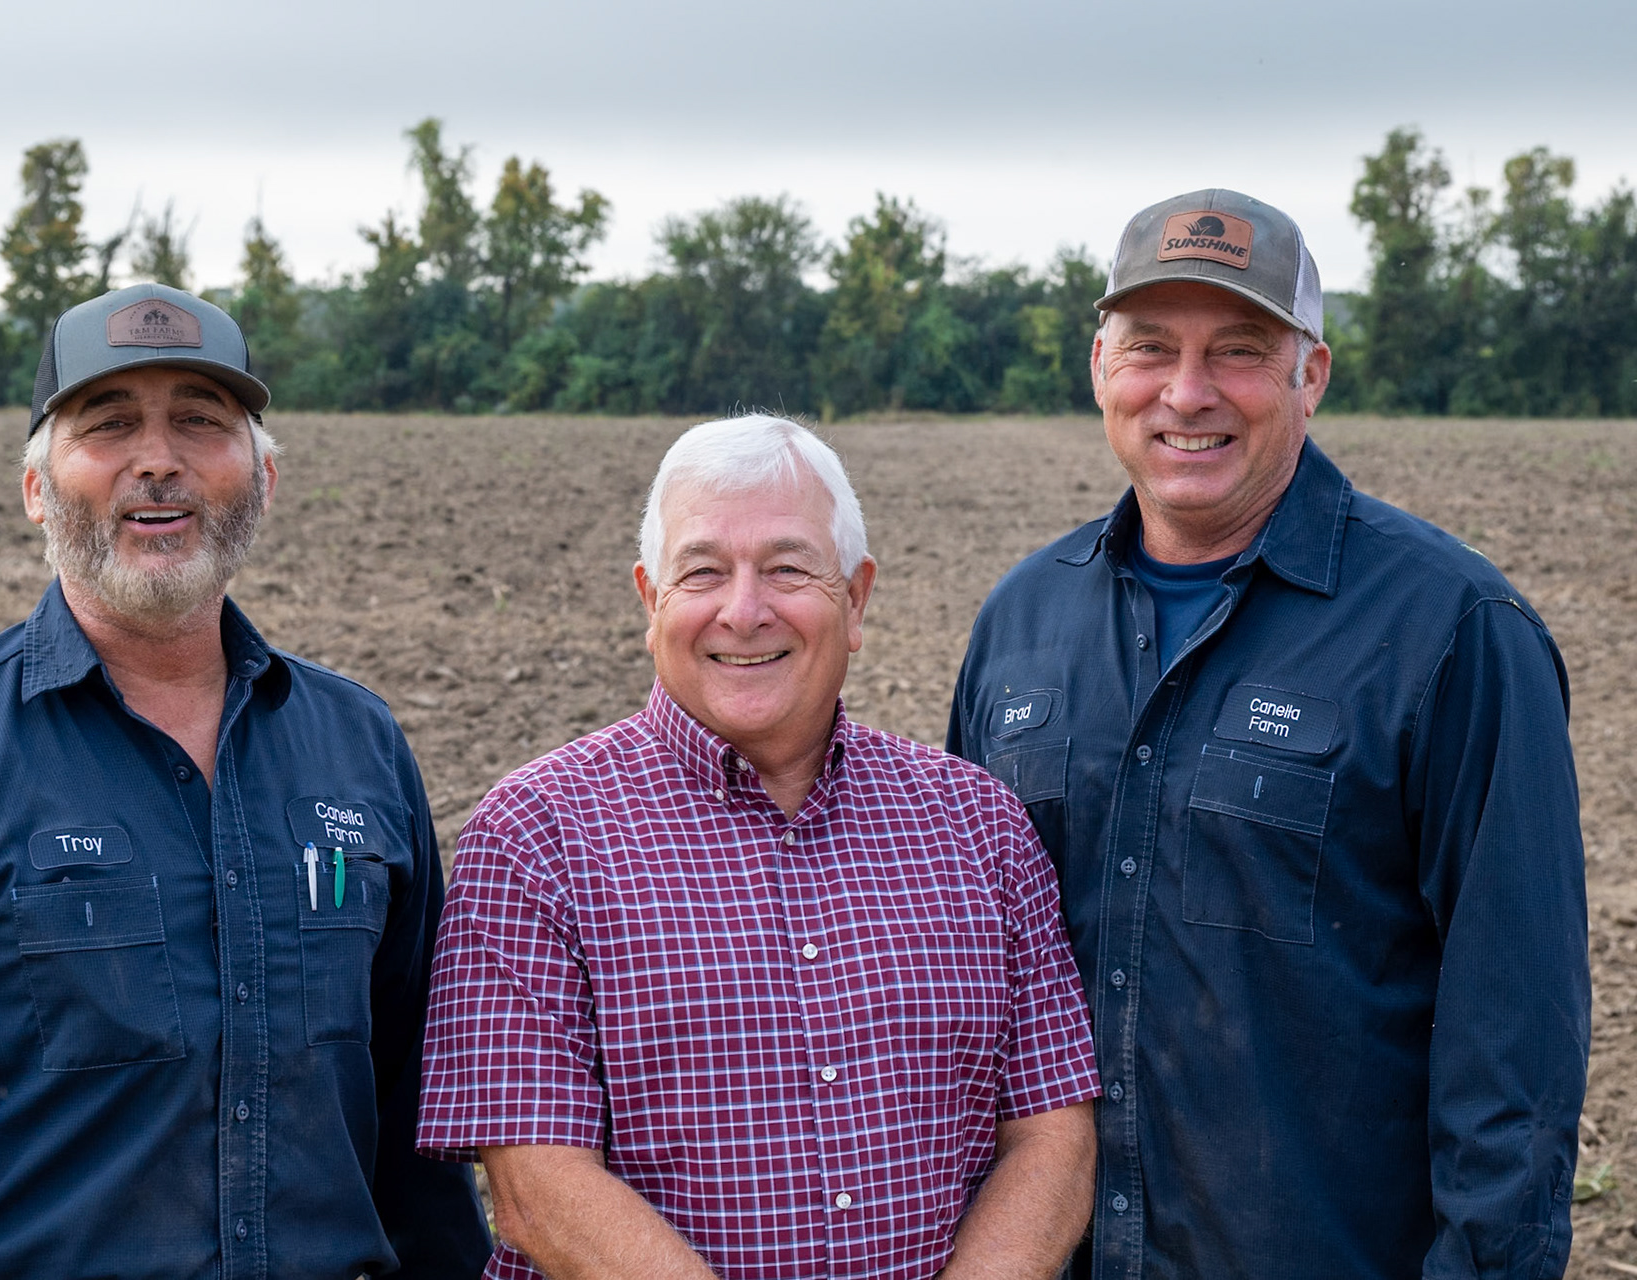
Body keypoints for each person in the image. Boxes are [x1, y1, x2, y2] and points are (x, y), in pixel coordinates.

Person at [0, 283, 491, 1279]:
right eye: (108, 424)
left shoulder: (358, 747)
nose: (159, 457)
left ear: (265, 476)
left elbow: (419, 1129)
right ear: (37, 487)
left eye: (201, 420)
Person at [949, 190, 1590, 1277]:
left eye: (1239, 349)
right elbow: (967, 989)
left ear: (1312, 375)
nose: (1187, 392)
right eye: (1151, 347)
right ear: (1101, 366)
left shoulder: (1451, 632)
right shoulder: (1022, 623)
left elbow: (1515, 1045)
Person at [418, 414, 1100, 1279]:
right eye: (702, 571)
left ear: (854, 600)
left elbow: (1051, 1137)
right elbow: (533, 1183)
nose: (744, 611)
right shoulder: (535, 837)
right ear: (649, 600)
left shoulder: (980, 827)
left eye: (787, 569)